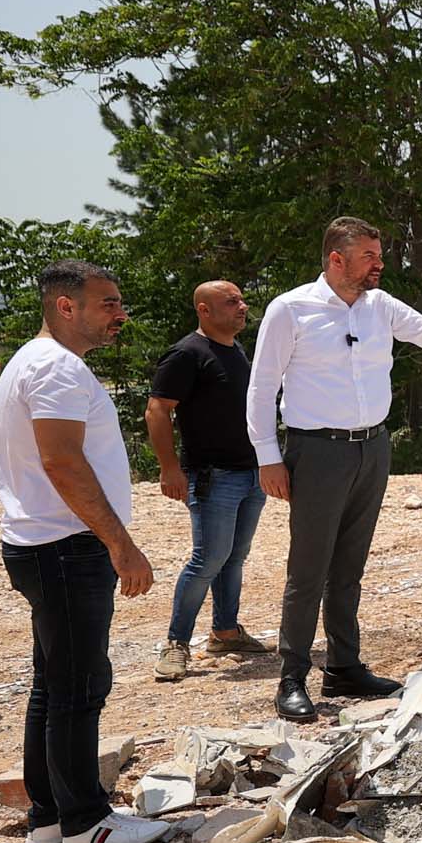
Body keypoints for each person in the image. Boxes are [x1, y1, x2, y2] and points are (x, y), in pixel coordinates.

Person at [248, 216, 422, 723]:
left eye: (379, 256)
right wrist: (267, 456)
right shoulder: (291, 309)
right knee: (308, 570)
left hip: (372, 449)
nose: (379, 265)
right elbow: (261, 386)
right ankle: (292, 678)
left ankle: (343, 668)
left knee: (349, 567)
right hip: (317, 452)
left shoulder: (380, 306)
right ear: (337, 259)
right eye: (369, 257)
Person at [0, 259, 170, 843]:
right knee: (80, 686)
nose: (121, 314)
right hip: (67, 546)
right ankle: (86, 824)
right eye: (108, 303)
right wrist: (120, 543)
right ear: (65, 306)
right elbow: (63, 461)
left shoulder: (35, 360)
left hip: (45, 544)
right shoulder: (56, 367)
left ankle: (49, 816)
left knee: (54, 683)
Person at [145, 280, 270, 680]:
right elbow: (157, 410)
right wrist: (169, 468)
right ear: (204, 309)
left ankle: (226, 632)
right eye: (231, 301)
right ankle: (176, 644)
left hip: (251, 474)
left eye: (241, 300)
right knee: (208, 559)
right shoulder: (187, 353)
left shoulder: (236, 351)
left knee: (234, 556)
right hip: (213, 476)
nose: (242, 306)